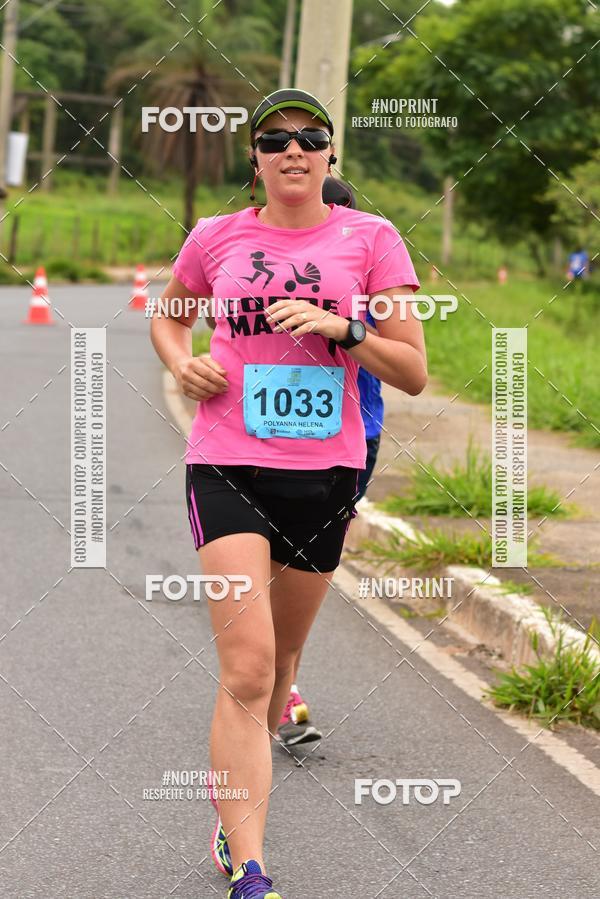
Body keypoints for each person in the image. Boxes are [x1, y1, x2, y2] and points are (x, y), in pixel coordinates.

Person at [150, 87, 426, 898]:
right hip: (228, 463)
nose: (294, 149)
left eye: (310, 136)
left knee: (277, 674)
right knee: (248, 665)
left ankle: (233, 807)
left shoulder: (372, 239)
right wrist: (181, 360)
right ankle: (250, 862)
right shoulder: (216, 237)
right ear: (256, 159)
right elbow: (170, 315)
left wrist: (344, 328)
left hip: (327, 475)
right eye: (276, 140)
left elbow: (412, 370)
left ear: (331, 154)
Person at [276, 176, 386, 751]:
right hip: (264, 445)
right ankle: (277, 687)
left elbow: (410, 362)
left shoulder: (372, 272)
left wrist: (347, 328)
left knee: (301, 573)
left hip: (353, 442)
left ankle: (280, 678)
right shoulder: (265, 269)